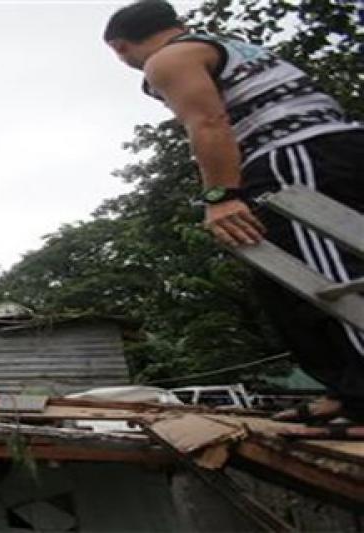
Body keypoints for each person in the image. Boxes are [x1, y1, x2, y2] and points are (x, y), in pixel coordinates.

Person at [104, 0, 364, 422]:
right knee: (284, 282)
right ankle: (345, 390)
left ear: (119, 47)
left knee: (331, 277)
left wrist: (221, 196)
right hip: (320, 152)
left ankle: (360, 394)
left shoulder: (169, 58)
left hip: (295, 155)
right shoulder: (230, 47)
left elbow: (207, 121)